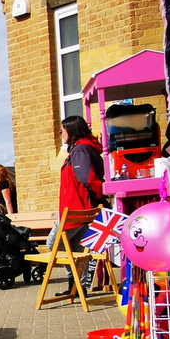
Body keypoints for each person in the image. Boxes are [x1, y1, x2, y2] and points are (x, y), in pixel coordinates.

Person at [52, 115, 107, 294]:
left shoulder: (81, 150)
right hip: (77, 206)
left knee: (54, 242)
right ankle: (77, 286)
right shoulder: (76, 149)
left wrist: (99, 194)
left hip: (78, 207)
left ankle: (75, 281)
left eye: (63, 131)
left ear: (72, 130)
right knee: (75, 246)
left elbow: (87, 178)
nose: (61, 134)